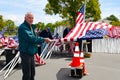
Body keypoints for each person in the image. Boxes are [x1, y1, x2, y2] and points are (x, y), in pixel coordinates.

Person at [18, 12, 51, 80]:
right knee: (27, 74)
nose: (31, 19)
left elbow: (33, 38)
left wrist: (37, 43)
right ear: (25, 18)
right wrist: (43, 39)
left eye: (32, 18)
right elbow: (31, 38)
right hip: (25, 52)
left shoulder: (31, 27)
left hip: (31, 52)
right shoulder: (23, 27)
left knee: (32, 73)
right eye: (29, 18)